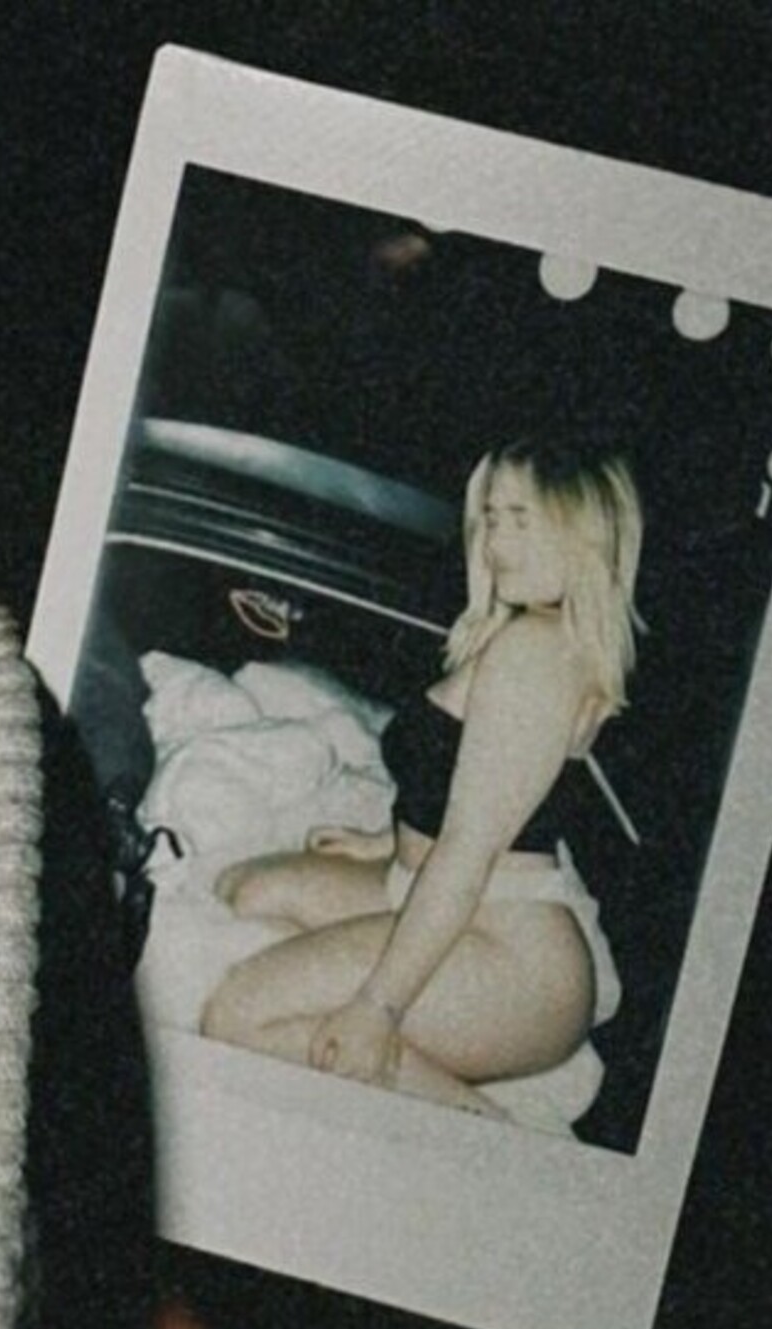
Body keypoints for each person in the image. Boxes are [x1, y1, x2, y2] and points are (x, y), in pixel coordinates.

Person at [201, 439, 643, 1120]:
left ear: (581, 530)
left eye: (520, 519)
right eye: (490, 517)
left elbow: (470, 849)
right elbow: (483, 788)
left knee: (238, 1016)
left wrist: (378, 1007)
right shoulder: (528, 633)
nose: (496, 540)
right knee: (251, 888)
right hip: (428, 892)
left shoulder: (537, 653)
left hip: (512, 961)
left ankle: (490, 1137)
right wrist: (386, 841)